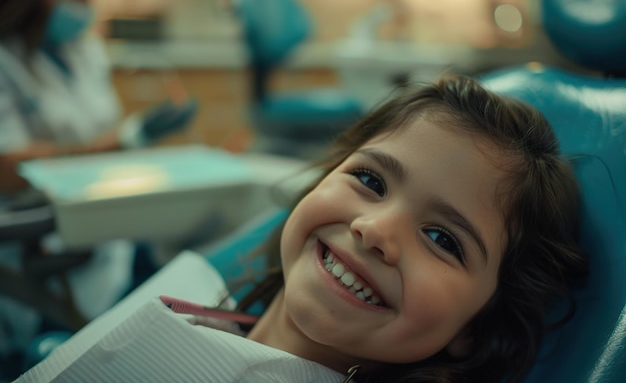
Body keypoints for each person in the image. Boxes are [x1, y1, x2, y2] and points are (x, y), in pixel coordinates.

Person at [19, 76, 588, 383]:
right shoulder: (186, 307)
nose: (374, 229)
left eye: (444, 239)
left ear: (474, 329)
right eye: (369, 180)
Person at [0, 0, 196, 374]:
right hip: (33, 233)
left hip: (106, 222)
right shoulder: (6, 58)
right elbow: (8, 167)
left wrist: (134, 137)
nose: (86, 8)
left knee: (161, 295)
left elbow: (102, 131)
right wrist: (124, 139)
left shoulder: (83, 49)